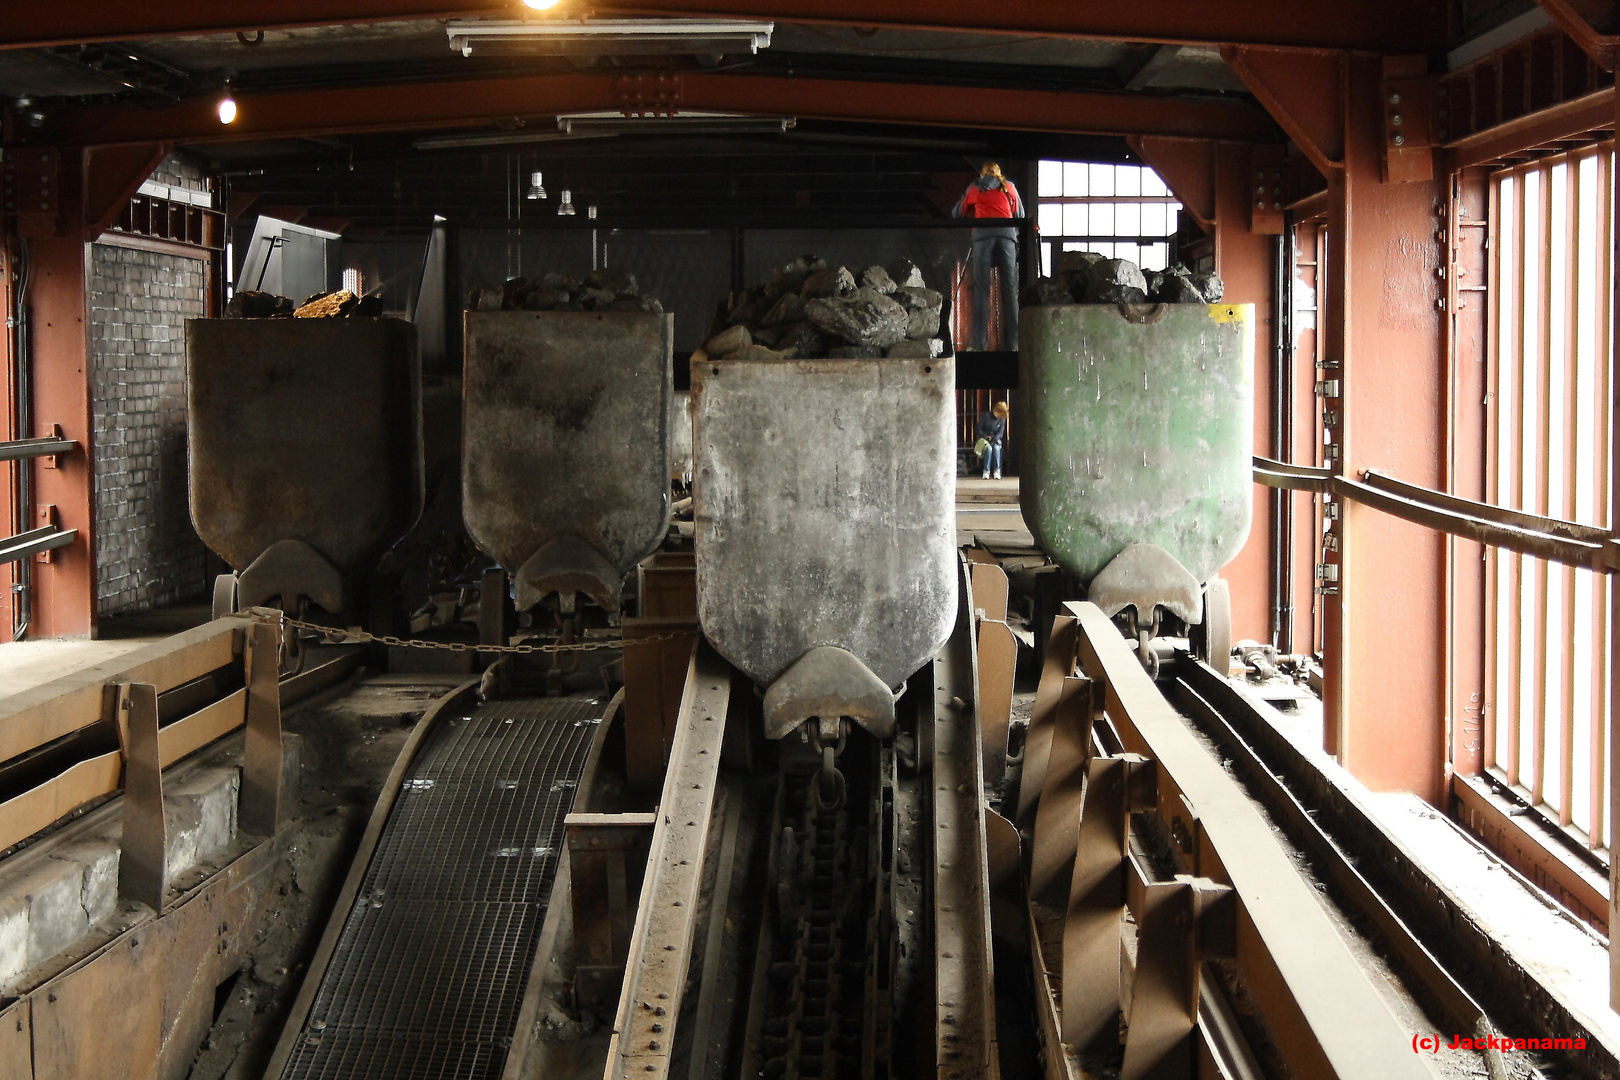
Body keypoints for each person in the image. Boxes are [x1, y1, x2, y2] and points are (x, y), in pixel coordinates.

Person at [952, 162, 1025, 351]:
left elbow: (957, 213)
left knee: (982, 290)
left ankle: (978, 344)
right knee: (1009, 290)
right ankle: (1014, 344)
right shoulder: (1010, 188)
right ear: (1000, 173)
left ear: (982, 174)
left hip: (983, 237)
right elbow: (1020, 214)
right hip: (1007, 237)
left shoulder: (975, 187)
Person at [977, 400, 1009, 479]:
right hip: (984, 439)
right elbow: (978, 429)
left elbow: (1000, 433)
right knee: (988, 449)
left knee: (996, 448)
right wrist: (985, 436)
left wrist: (994, 439)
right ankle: (986, 471)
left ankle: (996, 471)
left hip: (995, 440)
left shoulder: (1002, 420)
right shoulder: (985, 416)